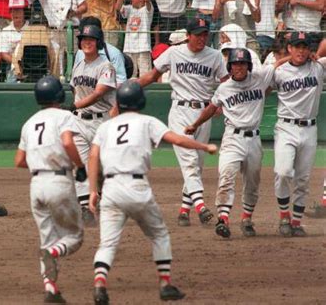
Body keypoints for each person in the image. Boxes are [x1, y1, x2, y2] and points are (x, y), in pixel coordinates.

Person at [88, 81, 218, 304]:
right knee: (159, 235)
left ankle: (100, 284)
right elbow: (177, 139)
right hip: (137, 188)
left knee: (107, 244)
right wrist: (204, 147)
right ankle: (165, 283)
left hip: (111, 190)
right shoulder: (147, 122)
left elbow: (92, 157)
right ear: (141, 101)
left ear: (118, 103)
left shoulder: (105, 127)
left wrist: (92, 191)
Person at [185, 48, 288, 238]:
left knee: (252, 182)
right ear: (229, 67)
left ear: (248, 66)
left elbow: (277, 64)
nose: (238, 67)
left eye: (242, 64)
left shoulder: (259, 78)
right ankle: (223, 219)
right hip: (232, 138)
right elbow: (212, 108)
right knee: (226, 176)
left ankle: (246, 219)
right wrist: (195, 124)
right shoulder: (224, 88)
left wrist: (300, 55)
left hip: (254, 139)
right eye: (235, 64)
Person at [138, 17, 229, 227]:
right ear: (188, 35)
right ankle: (200, 206)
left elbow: (227, 83)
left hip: (203, 114)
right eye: (197, 34)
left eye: (205, 34)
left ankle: (184, 209)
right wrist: (131, 88)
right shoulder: (174, 52)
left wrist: (222, 104)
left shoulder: (215, 56)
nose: (202, 38)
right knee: (188, 161)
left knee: (196, 163)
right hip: (180, 111)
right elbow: (152, 76)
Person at [14, 76, 86, 304]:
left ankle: (50, 288)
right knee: (74, 237)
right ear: (59, 96)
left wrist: (40, 162)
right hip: (59, 182)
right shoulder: (65, 116)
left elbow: (19, 161)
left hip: (36, 186)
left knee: (47, 239)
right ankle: (54, 254)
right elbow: (67, 142)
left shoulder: (29, 122)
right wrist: (80, 166)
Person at [272, 31, 325, 237]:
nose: (301, 50)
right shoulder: (279, 71)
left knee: (303, 179)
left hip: (310, 129)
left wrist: (317, 54)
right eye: (297, 46)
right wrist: (285, 59)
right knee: (283, 171)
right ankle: (283, 216)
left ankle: (296, 221)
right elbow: (260, 84)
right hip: (286, 127)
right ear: (289, 48)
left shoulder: (319, 67)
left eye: (305, 47)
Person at [67, 24, 117, 225]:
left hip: (100, 121)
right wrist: (75, 108)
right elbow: (74, 90)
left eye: (91, 39)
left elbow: (98, 93)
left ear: (98, 43)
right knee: (79, 165)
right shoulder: (78, 65)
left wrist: (73, 105)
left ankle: (102, 195)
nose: (86, 42)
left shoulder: (106, 66)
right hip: (79, 121)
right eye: (83, 39)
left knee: (102, 168)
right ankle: (85, 207)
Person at [37, 0, 88, 78]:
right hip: (54, 31)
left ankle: (77, 79)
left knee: (76, 58)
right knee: (57, 62)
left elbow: (84, 7)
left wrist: (74, 12)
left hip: (72, 29)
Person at [74, 16, 127, 86]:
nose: (87, 42)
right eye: (84, 38)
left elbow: (121, 81)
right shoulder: (80, 53)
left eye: (91, 38)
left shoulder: (114, 53)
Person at [116, 0, 154, 78]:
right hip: (129, 48)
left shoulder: (147, 10)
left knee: (145, 75)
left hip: (143, 48)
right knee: (130, 75)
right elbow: (118, 8)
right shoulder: (129, 8)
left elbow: (147, 0)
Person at [0, 0, 29, 83]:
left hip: (31, 64)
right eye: (12, 11)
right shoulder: (5, 30)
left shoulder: (32, 28)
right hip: (12, 65)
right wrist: (16, 63)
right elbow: (4, 54)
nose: (15, 13)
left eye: (18, 10)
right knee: (11, 83)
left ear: (24, 12)